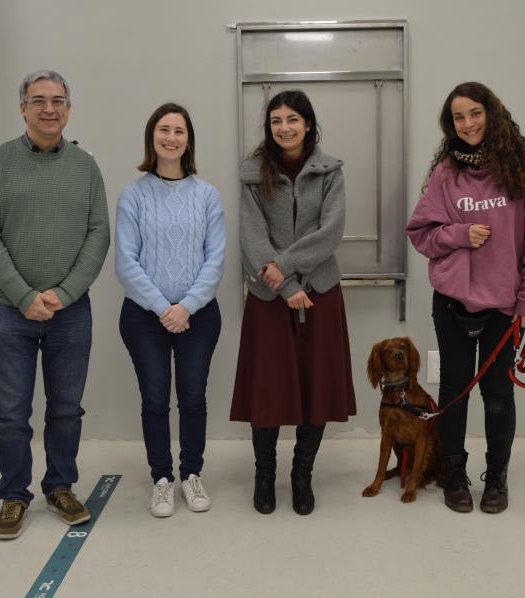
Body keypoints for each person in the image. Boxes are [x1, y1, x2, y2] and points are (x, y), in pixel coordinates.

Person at [0, 70, 110, 539]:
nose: (49, 108)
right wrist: (24, 296)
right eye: (38, 100)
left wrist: (64, 293)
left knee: (66, 408)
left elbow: (98, 234)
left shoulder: (86, 167)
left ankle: (60, 486)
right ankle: (14, 495)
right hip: (8, 310)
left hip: (71, 312)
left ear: (69, 109)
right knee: (10, 412)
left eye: (58, 100)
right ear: (23, 108)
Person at [405, 81, 525, 514]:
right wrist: (459, 235)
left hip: (504, 308)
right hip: (451, 302)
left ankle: (497, 478)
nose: (467, 123)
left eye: (474, 113)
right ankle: (455, 475)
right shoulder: (446, 173)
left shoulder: (524, 169)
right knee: (454, 391)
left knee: (499, 396)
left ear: (492, 113)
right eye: (458, 117)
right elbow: (421, 234)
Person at [230, 90, 356, 516]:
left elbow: (331, 230)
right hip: (269, 296)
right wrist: (284, 285)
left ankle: (302, 477)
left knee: (316, 388)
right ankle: (264, 475)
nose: (284, 128)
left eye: (292, 120)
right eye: (276, 120)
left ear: (308, 124)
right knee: (267, 393)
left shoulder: (331, 171)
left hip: (320, 291)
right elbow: (251, 238)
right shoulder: (251, 174)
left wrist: (290, 270)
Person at [116, 103, 226, 518]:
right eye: (164, 129)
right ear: (152, 137)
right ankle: (162, 479)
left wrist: (187, 307)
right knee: (155, 399)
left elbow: (215, 260)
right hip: (145, 317)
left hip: (199, 316)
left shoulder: (207, 195)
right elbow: (126, 263)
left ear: (188, 140)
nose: (172, 137)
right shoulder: (133, 195)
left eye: (180, 131)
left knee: (194, 398)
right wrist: (165, 308)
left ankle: (191, 474)